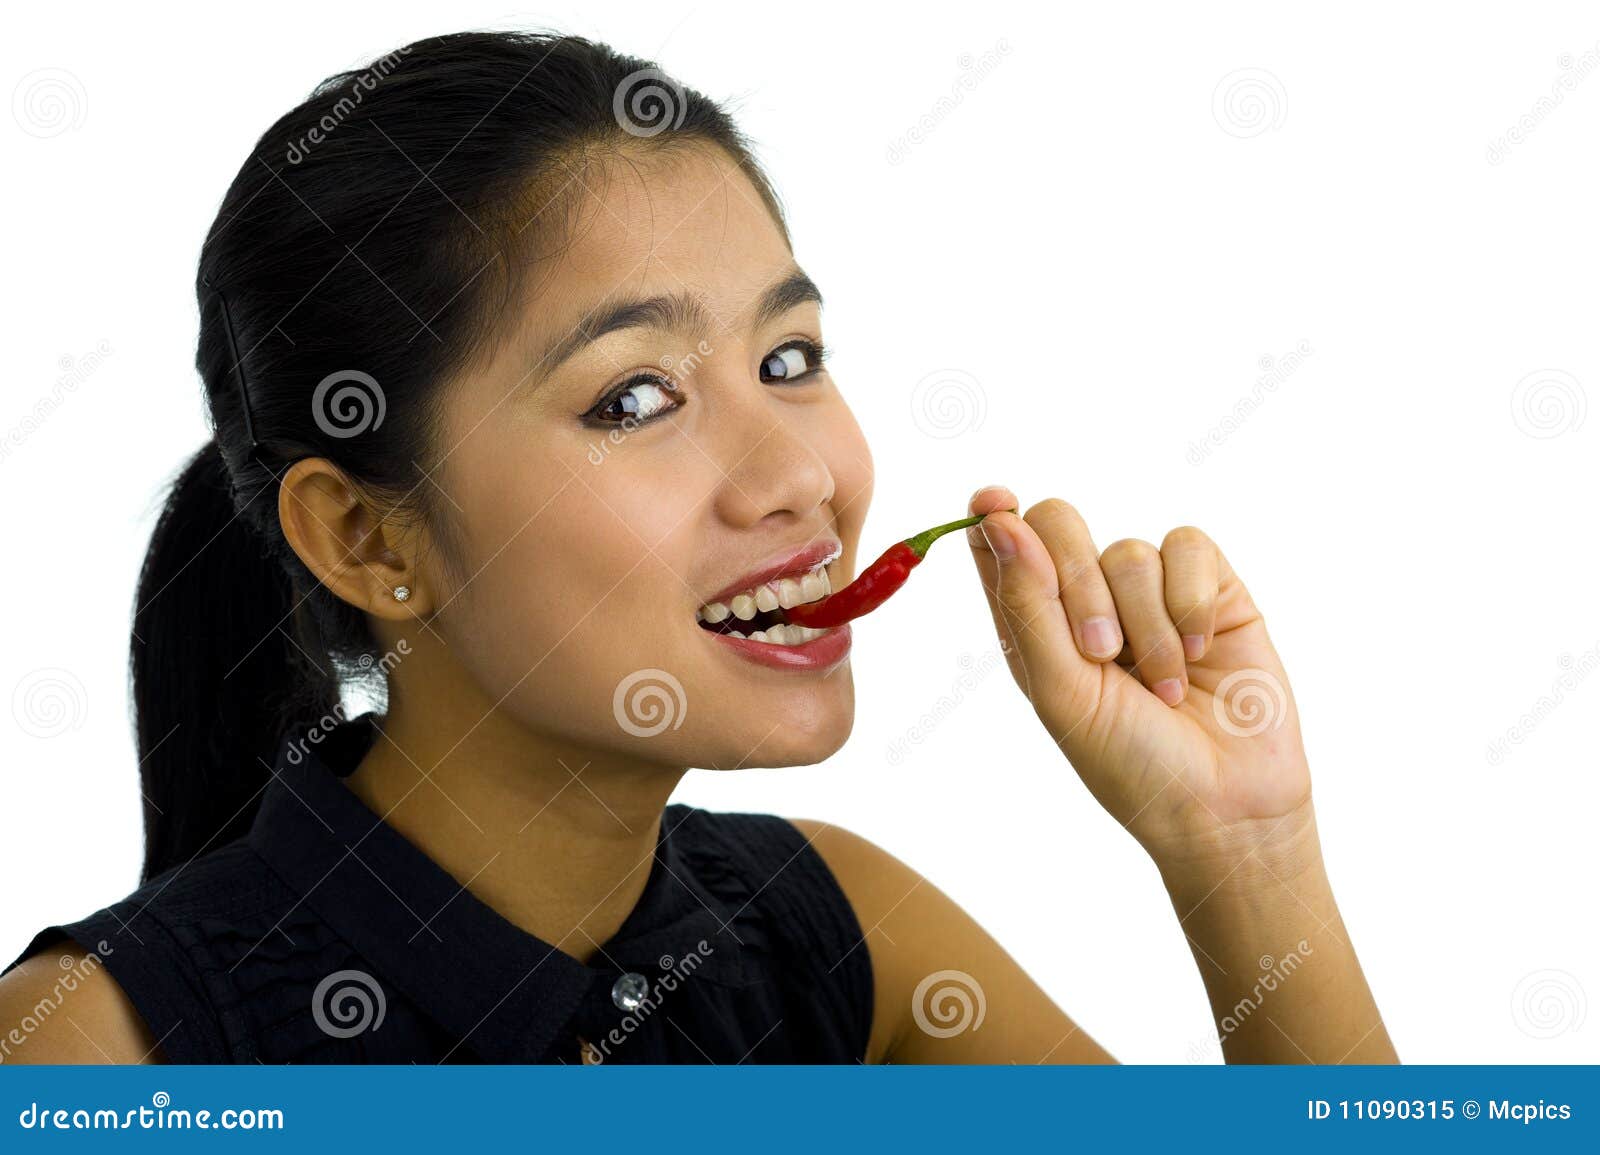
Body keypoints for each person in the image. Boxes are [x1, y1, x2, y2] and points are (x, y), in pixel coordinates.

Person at [0, 30, 1393, 1065]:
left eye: (791, 357)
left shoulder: (836, 939)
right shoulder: (89, 1052)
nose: (801, 473)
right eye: (637, 396)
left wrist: (1243, 852)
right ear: (366, 537)